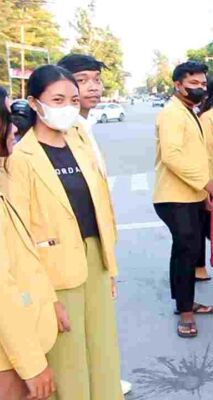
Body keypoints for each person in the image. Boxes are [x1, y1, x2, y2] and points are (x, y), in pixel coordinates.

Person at [6, 65, 124, 399]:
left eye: (73, 99)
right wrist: (47, 298)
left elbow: (101, 205)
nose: (68, 107)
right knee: (69, 367)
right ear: (34, 102)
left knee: (104, 356)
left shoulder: (81, 140)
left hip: (94, 260)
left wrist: (109, 266)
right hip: (53, 276)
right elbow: (20, 235)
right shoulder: (22, 158)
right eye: (57, 99)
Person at [57, 53, 132, 395]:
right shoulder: (61, 132)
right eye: (82, 79)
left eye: (96, 79)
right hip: (68, 249)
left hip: (95, 241)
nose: (93, 87)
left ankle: (101, 379)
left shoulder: (85, 128)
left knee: (98, 326)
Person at [0, 86, 61, 400]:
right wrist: (32, 365)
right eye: (7, 117)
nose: (14, 127)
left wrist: (50, 302)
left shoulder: (5, 173)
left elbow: (23, 254)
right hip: (8, 359)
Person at [153, 61, 213, 339]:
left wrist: (204, 193)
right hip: (174, 196)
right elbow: (172, 156)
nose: (200, 88)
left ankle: (185, 301)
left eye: (203, 84)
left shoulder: (188, 112)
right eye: (193, 84)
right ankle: (185, 312)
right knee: (186, 250)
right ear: (178, 85)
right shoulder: (172, 114)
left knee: (187, 251)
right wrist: (204, 183)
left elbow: (197, 156)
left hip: (191, 194)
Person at [195, 79, 213, 282]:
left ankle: (200, 268)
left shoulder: (206, 117)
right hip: (212, 176)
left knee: (202, 229)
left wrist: (205, 187)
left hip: (207, 179)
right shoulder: (212, 113)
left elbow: (202, 152)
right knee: (206, 227)